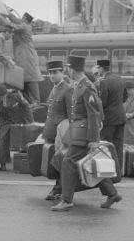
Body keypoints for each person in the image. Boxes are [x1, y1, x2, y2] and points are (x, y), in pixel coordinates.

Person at [51, 55, 121, 212]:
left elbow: (95, 114)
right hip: (78, 131)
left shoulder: (87, 87)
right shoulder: (79, 85)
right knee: (88, 162)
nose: (67, 70)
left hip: (84, 132)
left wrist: (94, 139)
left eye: (68, 67)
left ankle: (67, 200)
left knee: (68, 162)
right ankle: (112, 194)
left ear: (72, 69)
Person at [40, 60, 72, 201]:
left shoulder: (67, 89)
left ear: (62, 72)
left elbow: (71, 115)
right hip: (51, 131)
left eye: (55, 72)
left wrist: (68, 135)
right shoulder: (55, 88)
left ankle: (59, 189)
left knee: (60, 161)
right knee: (53, 161)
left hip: (61, 133)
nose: (52, 75)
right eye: (50, 72)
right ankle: (59, 188)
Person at [1, 11, 43, 105]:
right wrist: (8, 13)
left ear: (25, 19)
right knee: (25, 77)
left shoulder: (24, 26)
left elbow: (13, 26)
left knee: (31, 77)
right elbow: (15, 20)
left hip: (27, 54)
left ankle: (35, 100)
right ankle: (28, 100)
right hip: (23, 54)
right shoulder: (24, 24)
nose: (20, 19)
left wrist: (1, 18)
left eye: (22, 18)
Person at [95, 59, 126, 174]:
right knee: (118, 146)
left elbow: (103, 102)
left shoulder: (104, 82)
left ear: (102, 68)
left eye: (98, 68)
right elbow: (125, 98)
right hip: (121, 117)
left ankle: (107, 172)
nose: (98, 70)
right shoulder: (120, 79)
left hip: (109, 119)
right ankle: (118, 172)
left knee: (106, 146)